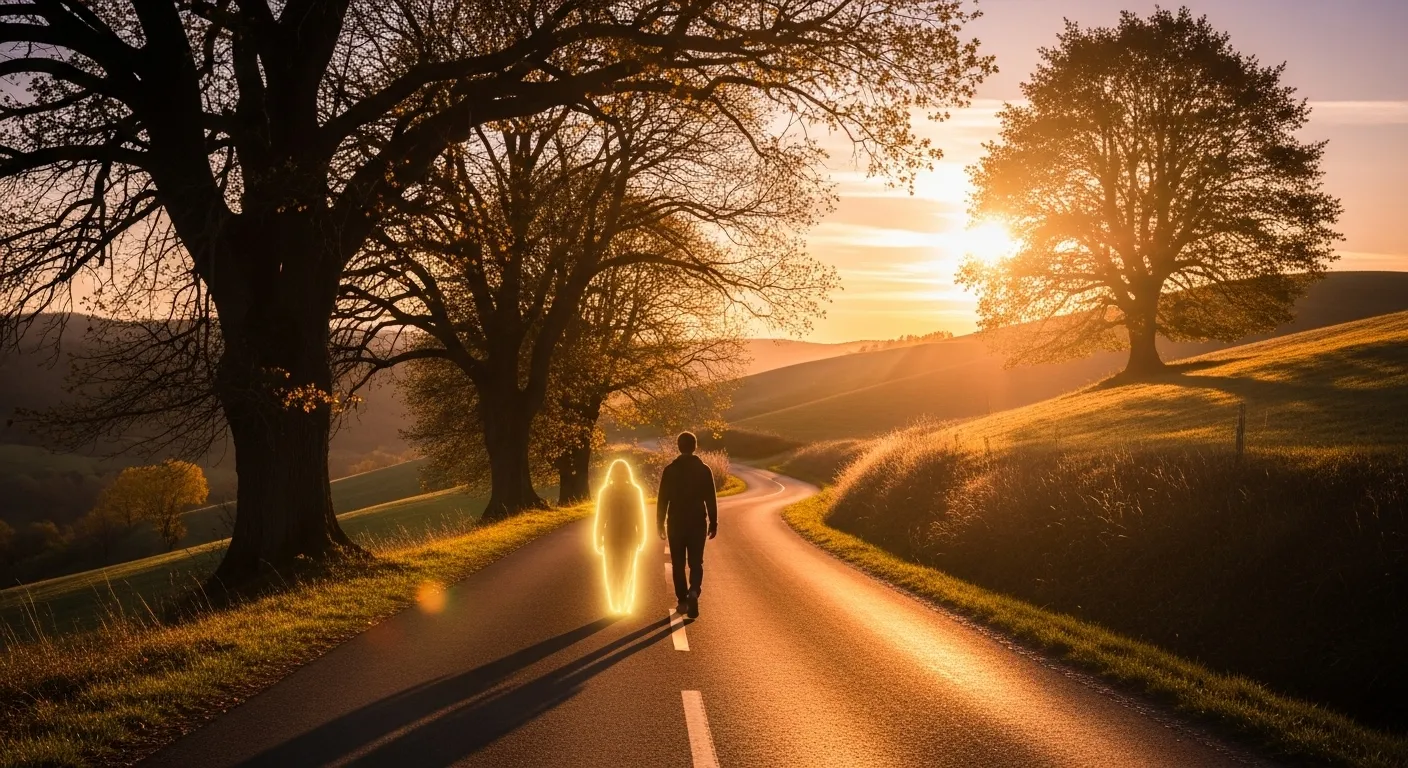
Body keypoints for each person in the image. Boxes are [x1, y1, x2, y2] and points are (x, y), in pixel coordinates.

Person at [656, 431, 718, 618]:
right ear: (695, 446)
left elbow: (662, 500)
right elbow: (711, 499)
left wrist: (659, 523)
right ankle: (694, 592)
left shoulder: (670, 470)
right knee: (696, 562)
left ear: (678, 446)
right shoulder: (704, 470)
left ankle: (682, 600)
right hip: (697, 522)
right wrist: (713, 522)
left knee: (678, 563)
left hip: (675, 522)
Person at [595, 460, 648, 614]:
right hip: (618, 535)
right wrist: (598, 537)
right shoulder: (607, 492)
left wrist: (642, 535)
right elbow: (601, 517)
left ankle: (622, 603)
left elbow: (639, 515)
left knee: (624, 570)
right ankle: (618, 603)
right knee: (616, 570)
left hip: (625, 536)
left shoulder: (633, 491)